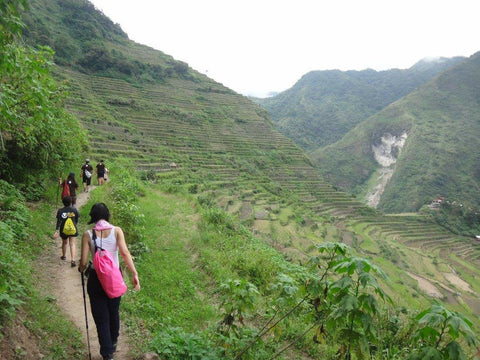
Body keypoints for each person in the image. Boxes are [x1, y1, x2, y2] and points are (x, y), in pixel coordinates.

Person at [78, 203, 140, 360]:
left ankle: (107, 353)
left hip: (96, 280)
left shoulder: (87, 234)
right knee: (114, 312)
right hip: (114, 279)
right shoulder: (116, 231)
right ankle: (113, 342)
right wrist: (134, 274)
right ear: (107, 215)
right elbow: (125, 253)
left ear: (92, 216)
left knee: (101, 317)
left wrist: (81, 268)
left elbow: (84, 262)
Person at [54, 196, 79, 267]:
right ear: (71, 202)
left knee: (64, 243)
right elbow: (76, 219)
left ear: (63, 203)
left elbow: (58, 221)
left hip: (63, 229)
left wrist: (56, 230)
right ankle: (73, 259)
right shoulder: (74, 210)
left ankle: (64, 256)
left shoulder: (60, 211)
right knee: (72, 243)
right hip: (72, 229)